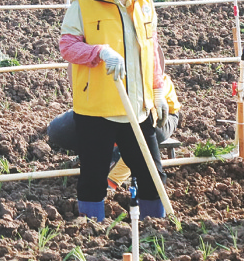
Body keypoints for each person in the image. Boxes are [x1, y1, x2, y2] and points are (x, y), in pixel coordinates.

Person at [59, 0, 173, 221]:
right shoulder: (83, 5)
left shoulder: (144, 1)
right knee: (93, 178)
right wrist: (99, 52)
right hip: (97, 110)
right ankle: (90, 228)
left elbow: (151, 47)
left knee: (151, 173)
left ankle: (156, 226)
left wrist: (158, 90)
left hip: (138, 107)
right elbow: (68, 47)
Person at [47, 74, 182, 191]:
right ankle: (110, 151)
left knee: (141, 134)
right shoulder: (107, 78)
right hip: (110, 111)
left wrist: (112, 181)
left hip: (160, 114)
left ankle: (117, 152)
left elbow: (142, 140)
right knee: (60, 129)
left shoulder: (143, 78)